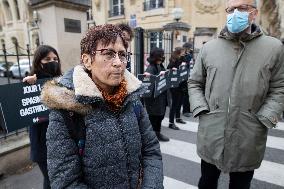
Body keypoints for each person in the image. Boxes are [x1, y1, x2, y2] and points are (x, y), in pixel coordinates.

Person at [41, 24, 164, 188]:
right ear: (87, 60)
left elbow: (151, 151)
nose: (118, 63)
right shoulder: (67, 111)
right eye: (108, 54)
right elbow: (66, 182)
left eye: (122, 55)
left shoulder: (132, 99)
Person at [188, 0, 284, 189]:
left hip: (248, 133)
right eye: (231, 9)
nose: (235, 13)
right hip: (212, 131)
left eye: (242, 8)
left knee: (241, 185)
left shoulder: (274, 48)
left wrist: (264, 117)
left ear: (253, 13)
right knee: (206, 182)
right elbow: (194, 82)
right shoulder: (209, 48)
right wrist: (201, 109)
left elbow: (279, 87)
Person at [23, 45, 62, 189]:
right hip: (42, 143)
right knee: (51, 180)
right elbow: (23, 98)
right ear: (39, 62)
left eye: (55, 59)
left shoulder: (61, 81)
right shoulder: (33, 82)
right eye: (47, 59)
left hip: (60, 142)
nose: (52, 62)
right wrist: (29, 82)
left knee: (59, 179)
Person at [144, 47, 170, 142]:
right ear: (155, 57)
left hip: (160, 97)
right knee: (154, 118)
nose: (162, 58)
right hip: (153, 100)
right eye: (160, 56)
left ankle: (157, 133)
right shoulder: (150, 68)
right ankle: (152, 137)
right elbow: (148, 84)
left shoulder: (159, 65)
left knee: (160, 117)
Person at [167, 47, 187, 130]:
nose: (184, 53)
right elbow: (169, 68)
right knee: (174, 104)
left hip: (181, 84)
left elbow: (185, 66)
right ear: (179, 52)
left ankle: (178, 118)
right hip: (175, 85)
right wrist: (174, 68)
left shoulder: (182, 58)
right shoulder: (173, 60)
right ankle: (171, 123)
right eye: (182, 51)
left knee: (180, 102)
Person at [182, 42, 193, 117]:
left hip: (189, 76)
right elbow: (186, 65)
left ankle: (188, 109)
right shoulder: (185, 56)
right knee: (186, 94)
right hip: (185, 77)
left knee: (189, 94)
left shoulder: (189, 55)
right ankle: (186, 110)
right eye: (189, 48)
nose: (190, 49)